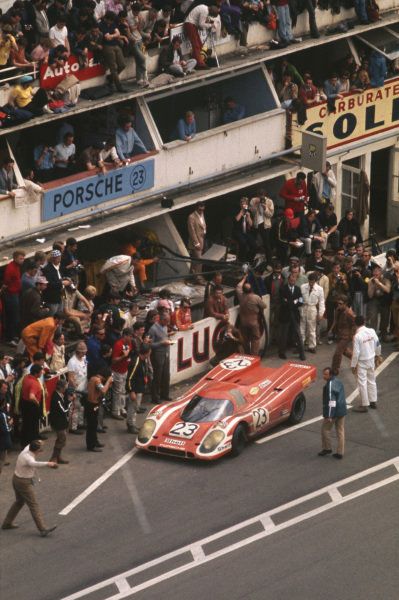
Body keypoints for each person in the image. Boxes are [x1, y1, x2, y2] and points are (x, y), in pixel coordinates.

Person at [1, 440, 58, 536]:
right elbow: (35, 464)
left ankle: (7, 523)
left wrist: (39, 441)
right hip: (23, 483)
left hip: (16, 479)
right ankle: (42, 529)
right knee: (33, 505)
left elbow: (32, 443)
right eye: (40, 450)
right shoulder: (28, 458)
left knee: (19, 502)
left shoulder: (27, 449)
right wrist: (49, 464)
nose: (41, 451)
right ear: (36, 450)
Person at [351, 315, 381, 412]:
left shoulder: (357, 336)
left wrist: (353, 365)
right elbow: (378, 344)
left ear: (355, 324)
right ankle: (373, 401)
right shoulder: (372, 331)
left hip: (362, 362)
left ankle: (364, 405)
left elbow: (356, 353)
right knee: (372, 380)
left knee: (362, 383)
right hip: (371, 359)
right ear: (364, 322)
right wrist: (378, 355)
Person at [318, 367, 347, 459]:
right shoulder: (338, 381)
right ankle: (340, 452)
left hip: (333, 412)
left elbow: (331, 400)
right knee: (340, 431)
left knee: (325, 429)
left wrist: (330, 415)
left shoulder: (330, 385)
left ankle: (327, 448)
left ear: (330, 375)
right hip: (342, 410)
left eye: (325, 374)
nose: (323, 376)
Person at [236, 275, 266, 356]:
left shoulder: (240, 296)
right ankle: (254, 356)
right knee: (255, 339)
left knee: (245, 339)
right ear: (251, 290)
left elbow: (238, 286)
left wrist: (244, 278)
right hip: (253, 323)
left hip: (243, 322)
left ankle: (246, 354)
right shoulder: (256, 297)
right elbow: (264, 306)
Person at [278, 272, 305, 360]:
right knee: (284, 335)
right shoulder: (282, 289)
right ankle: (282, 352)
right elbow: (282, 302)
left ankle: (302, 353)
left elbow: (301, 301)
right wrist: (294, 301)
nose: (292, 281)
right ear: (288, 280)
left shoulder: (297, 289)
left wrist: (290, 302)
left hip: (295, 315)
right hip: (285, 314)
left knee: (298, 334)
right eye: (291, 280)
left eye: (294, 280)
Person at [148, 312, 174, 404]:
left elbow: (164, 337)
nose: (167, 323)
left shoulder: (165, 326)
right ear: (161, 320)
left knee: (166, 375)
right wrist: (162, 343)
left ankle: (165, 394)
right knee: (157, 376)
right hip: (157, 355)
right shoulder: (153, 329)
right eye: (166, 321)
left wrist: (168, 338)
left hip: (166, 353)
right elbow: (150, 344)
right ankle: (155, 397)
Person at [184, 4, 219, 69]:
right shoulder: (205, 11)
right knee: (196, 45)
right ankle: (200, 64)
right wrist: (211, 25)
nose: (211, 16)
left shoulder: (205, 9)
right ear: (211, 12)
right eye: (212, 15)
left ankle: (198, 61)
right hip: (190, 25)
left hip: (192, 25)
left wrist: (211, 22)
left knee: (199, 45)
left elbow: (205, 21)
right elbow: (201, 24)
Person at [125, 343, 151, 433]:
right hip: (135, 389)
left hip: (139, 388)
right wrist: (131, 391)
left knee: (135, 407)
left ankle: (132, 424)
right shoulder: (136, 362)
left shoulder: (143, 360)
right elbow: (129, 378)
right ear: (146, 353)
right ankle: (130, 425)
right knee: (132, 408)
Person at [86, 368, 113, 452]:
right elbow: (104, 390)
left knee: (94, 424)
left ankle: (95, 441)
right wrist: (108, 382)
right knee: (92, 425)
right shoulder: (97, 380)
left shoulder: (93, 378)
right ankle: (91, 445)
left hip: (92, 404)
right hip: (93, 405)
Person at [100, 10, 127, 93]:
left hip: (115, 45)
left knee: (122, 65)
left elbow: (118, 34)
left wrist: (112, 36)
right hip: (107, 46)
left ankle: (111, 78)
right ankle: (119, 86)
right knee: (113, 68)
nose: (111, 22)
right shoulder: (101, 25)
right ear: (106, 19)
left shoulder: (113, 24)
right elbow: (107, 38)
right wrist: (114, 35)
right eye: (110, 20)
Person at [3, 249, 25, 345]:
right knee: (13, 316)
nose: (22, 260)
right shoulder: (11, 268)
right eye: (20, 258)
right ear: (15, 258)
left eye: (23, 258)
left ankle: (13, 336)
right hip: (11, 295)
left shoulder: (17, 267)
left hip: (15, 293)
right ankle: (10, 338)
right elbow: (7, 282)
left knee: (15, 316)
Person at [19, 364, 44, 447]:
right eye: (41, 372)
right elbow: (31, 396)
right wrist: (37, 403)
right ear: (36, 373)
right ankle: (32, 446)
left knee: (26, 425)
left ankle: (24, 444)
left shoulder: (26, 377)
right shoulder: (34, 383)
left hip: (24, 403)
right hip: (32, 406)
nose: (42, 373)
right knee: (33, 427)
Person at [111, 327, 133, 419]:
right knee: (117, 391)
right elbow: (113, 360)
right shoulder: (118, 345)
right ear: (125, 335)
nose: (131, 338)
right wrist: (123, 356)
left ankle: (122, 408)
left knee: (123, 390)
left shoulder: (130, 343)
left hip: (125, 370)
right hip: (117, 371)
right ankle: (115, 411)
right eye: (130, 336)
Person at [330, 296, 355, 375]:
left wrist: (352, 336)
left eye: (341, 304)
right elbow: (335, 321)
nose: (339, 305)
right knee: (344, 351)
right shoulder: (338, 310)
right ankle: (357, 359)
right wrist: (331, 330)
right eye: (338, 303)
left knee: (338, 352)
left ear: (345, 304)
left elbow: (354, 324)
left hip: (346, 336)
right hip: (339, 334)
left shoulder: (349, 313)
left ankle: (334, 370)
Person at [67, 341, 88, 435]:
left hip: (84, 387)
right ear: (78, 352)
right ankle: (73, 427)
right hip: (76, 388)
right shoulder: (72, 362)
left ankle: (80, 423)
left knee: (81, 407)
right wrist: (74, 389)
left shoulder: (84, 358)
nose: (84, 354)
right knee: (74, 408)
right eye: (82, 352)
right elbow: (70, 377)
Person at [300, 272, 325, 354]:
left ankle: (312, 346)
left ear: (315, 281)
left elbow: (321, 302)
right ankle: (301, 345)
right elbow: (300, 298)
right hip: (304, 307)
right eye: (310, 281)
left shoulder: (320, 289)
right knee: (302, 328)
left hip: (312, 308)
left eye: (313, 282)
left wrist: (321, 313)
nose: (311, 283)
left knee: (312, 328)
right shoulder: (303, 287)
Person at [49, 379, 72, 464]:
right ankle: (54, 458)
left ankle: (57, 457)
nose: (66, 389)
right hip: (58, 422)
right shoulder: (56, 398)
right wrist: (70, 402)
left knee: (61, 439)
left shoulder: (60, 395)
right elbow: (64, 410)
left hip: (61, 421)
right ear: (61, 388)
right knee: (61, 439)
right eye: (65, 387)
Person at [249, 191, 274, 265]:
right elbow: (251, 212)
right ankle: (251, 260)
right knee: (253, 242)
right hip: (256, 224)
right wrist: (256, 204)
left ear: (265, 196)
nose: (261, 199)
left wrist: (265, 208)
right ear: (257, 196)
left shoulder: (269, 201)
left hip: (265, 225)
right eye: (260, 197)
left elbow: (270, 215)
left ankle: (269, 261)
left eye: (262, 197)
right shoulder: (253, 200)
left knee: (266, 244)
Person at [367, 264, 391, 339]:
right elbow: (370, 295)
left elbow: (387, 290)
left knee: (385, 317)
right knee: (373, 316)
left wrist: (379, 284)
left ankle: (383, 333)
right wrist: (373, 286)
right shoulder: (371, 280)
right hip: (374, 300)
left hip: (384, 300)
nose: (375, 273)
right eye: (374, 271)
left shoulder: (386, 279)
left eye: (377, 271)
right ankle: (373, 334)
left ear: (381, 272)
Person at [187, 202, 207, 283]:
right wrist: (196, 243)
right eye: (200, 209)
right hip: (196, 242)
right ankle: (198, 277)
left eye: (203, 209)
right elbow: (192, 231)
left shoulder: (202, 214)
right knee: (199, 259)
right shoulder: (191, 217)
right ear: (196, 208)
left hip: (202, 239)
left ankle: (191, 276)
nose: (201, 211)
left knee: (194, 260)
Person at [233, 197, 256, 261]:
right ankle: (241, 260)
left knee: (254, 245)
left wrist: (248, 216)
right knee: (243, 243)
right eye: (242, 204)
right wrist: (241, 212)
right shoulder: (236, 210)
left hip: (246, 232)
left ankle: (249, 259)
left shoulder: (249, 212)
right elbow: (236, 220)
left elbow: (251, 224)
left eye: (245, 204)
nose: (244, 205)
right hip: (238, 231)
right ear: (240, 204)